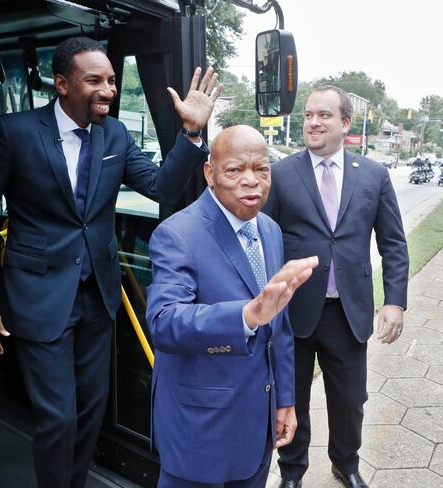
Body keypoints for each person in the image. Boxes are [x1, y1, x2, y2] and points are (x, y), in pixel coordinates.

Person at [0, 36, 223, 488]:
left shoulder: (116, 135)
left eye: (110, 80)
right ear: (62, 83)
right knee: (59, 417)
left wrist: (191, 134)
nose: (107, 89)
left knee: (90, 413)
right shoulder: (15, 132)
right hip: (38, 297)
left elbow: (162, 188)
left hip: (98, 297)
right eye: (95, 80)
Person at [145, 125, 319, 487]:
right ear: (210, 173)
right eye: (235, 170)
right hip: (200, 431)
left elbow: (280, 327)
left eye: (261, 169)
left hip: (257, 428)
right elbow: (163, 321)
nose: (251, 181)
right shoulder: (177, 234)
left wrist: (285, 400)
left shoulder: (269, 229)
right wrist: (246, 316)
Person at [263, 85, 409, 488]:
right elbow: (263, 239)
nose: (312, 122)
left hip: (348, 312)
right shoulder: (280, 173)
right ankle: (292, 472)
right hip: (293, 312)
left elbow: (393, 242)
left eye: (323, 115)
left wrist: (395, 302)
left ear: (345, 123)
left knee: (350, 401)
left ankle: (345, 464)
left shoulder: (374, 176)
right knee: (292, 399)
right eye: (308, 114)